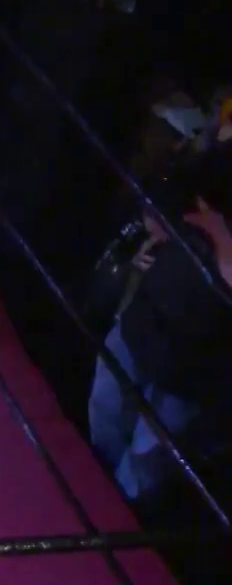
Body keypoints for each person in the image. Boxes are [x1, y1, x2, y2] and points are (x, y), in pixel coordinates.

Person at [88, 164, 232, 505]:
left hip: (195, 367)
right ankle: (90, 489)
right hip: (147, 319)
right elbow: (170, 183)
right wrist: (164, 221)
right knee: (104, 409)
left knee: (146, 460)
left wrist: (221, 243)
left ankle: (112, 515)